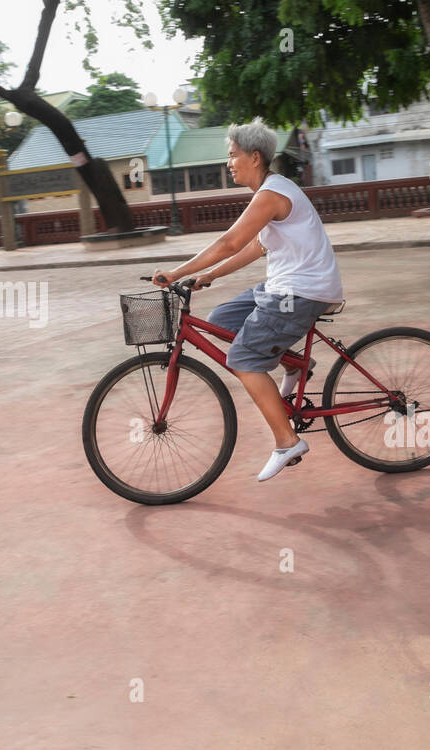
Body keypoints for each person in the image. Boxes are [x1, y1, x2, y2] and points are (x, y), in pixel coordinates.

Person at [151, 118, 344, 482]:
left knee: (242, 357)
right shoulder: (270, 192)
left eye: (233, 156)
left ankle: (287, 441)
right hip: (282, 287)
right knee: (221, 321)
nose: (229, 163)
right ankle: (292, 364)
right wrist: (209, 275)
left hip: (299, 292)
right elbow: (257, 247)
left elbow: (230, 243)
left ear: (255, 158)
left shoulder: (271, 194)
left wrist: (176, 272)